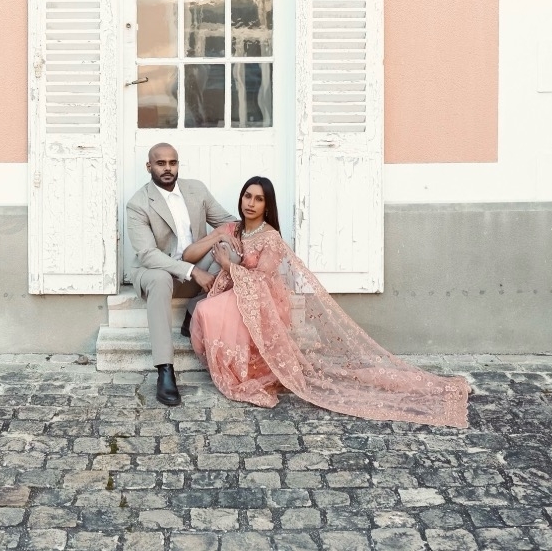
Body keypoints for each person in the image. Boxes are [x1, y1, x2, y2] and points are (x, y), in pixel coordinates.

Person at [187, 176, 470, 428]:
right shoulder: (233, 229)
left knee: (206, 309)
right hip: (239, 294)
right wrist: (218, 237)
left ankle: (238, 372)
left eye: (258, 199)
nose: (251, 203)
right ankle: (235, 369)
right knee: (204, 310)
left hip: (263, 302)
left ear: (267, 206)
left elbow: (261, 281)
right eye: (247, 196)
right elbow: (189, 254)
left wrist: (228, 265)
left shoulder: (271, 238)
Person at [126, 142, 239, 407]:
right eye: (160, 163)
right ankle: (165, 369)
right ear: (149, 166)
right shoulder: (138, 204)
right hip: (155, 272)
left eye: (172, 162)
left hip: (193, 268)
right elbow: (148, 255)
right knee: (160, 278)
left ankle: (193, 310)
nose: (167, 168)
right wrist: (192, 271)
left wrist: (263, 231)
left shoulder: (196, 190)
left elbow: (228, 223)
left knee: (229, 253)